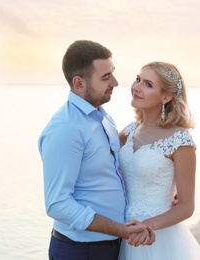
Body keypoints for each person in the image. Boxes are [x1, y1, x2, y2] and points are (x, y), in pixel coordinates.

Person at [38, 40, 155, 260]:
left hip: (111, 245)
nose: (116, 82)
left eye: (112, 73)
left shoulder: (101, 116)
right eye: (105, 77)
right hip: (81, 251)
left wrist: (160, 186)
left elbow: (114, 171)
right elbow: (57, 204)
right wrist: (119, 229)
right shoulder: (66, 129)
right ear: (79, 83)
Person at [118, 61, 200, 259]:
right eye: (138, 79)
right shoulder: (129, 131)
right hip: (124, 232)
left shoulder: (180, 140)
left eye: (148, 84)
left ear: (166, 97)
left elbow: (186, 206)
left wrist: (148, 226)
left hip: (157, 236)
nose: (137, 87)